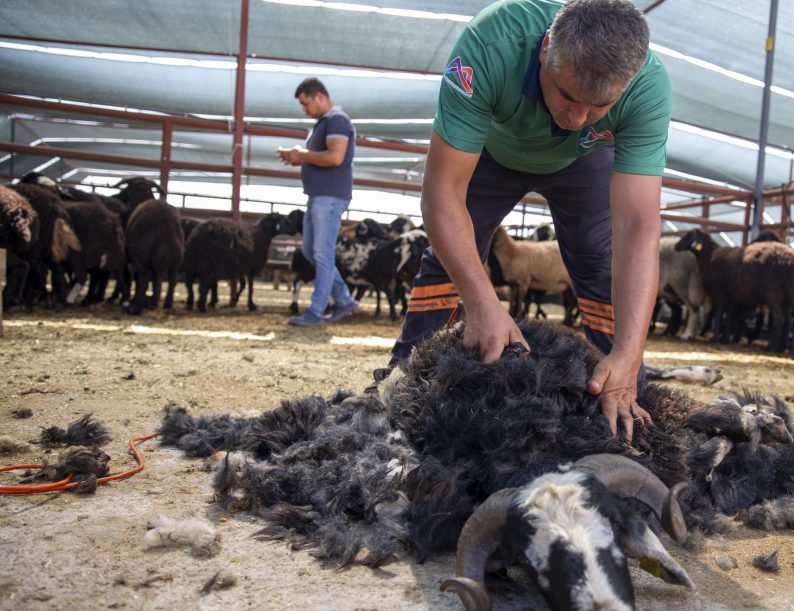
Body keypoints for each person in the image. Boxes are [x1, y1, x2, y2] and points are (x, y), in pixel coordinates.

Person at [388, 0, 672, 443]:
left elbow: (638, 225)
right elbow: (442, 192)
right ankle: (403, 374)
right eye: (567, 94)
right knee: (451, 258)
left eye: (599, 105)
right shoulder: (490, 44)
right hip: (492, 149)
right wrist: (482, 302)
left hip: (584, 158)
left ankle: (618, 382)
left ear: (627, 84)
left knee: (599, 259)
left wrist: (630, 352)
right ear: (544, 52)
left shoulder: (648, 89)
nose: (577, 117)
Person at [278, 77, 359, 326]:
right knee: (312, 252)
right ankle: (344, 300)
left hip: (330, 196)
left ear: (319, 97)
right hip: (318, 195)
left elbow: (335, 157)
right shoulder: (322, 123)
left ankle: (316, 312)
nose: (304, 109)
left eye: (305, 103)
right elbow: (321, 157)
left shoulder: (337, 119)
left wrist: (301, 154)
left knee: (321, 254)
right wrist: (299, 157)